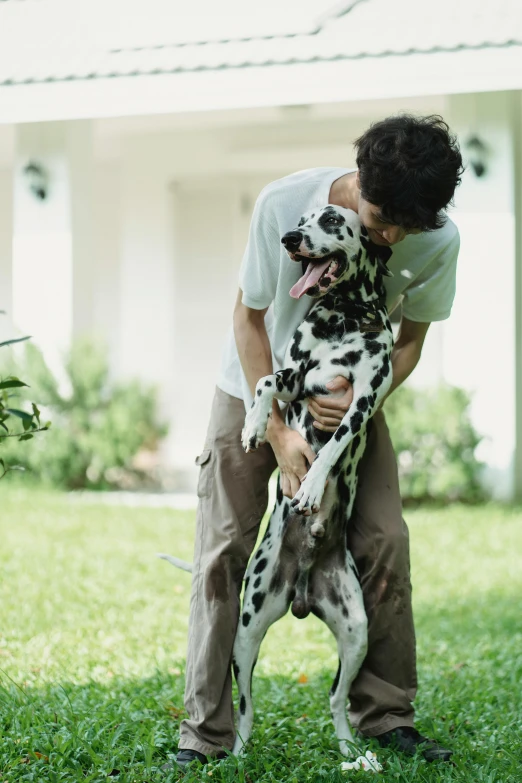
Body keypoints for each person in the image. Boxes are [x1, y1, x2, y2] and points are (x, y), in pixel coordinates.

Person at [176, 114, 463, 770]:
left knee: (385, 539)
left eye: (404, 228)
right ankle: (206, 730)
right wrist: (276, 429)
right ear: (358, 177)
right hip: (257, 386)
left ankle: (387, 715)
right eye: (380, 215)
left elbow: (411, 339)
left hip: (353, 397)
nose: (388, 236)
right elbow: (248, 320)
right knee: (224, 549)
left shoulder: (438, 240)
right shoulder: (285, 202)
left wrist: (366, 398)